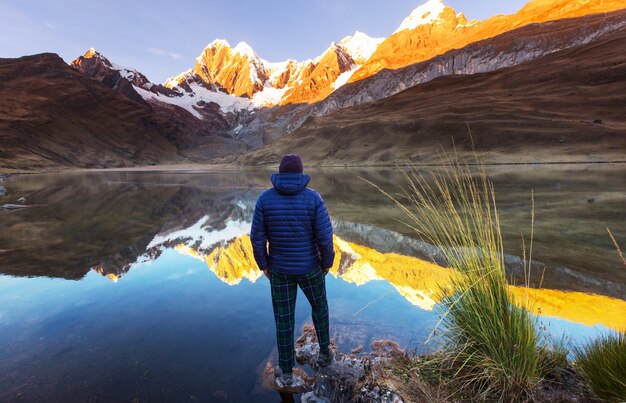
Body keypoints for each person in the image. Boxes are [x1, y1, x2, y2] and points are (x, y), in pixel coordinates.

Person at [250, 154, 336, 387]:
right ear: (300, 173)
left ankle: (286, 371)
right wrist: (327, 262)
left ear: (279, 173)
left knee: (284, 320)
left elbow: (257, 238)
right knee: (320, 308)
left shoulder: (264, 200)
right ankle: (325, 353)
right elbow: (325, 237)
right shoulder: (313, 198)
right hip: (310, 268)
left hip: (279, 271)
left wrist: (265, 265)